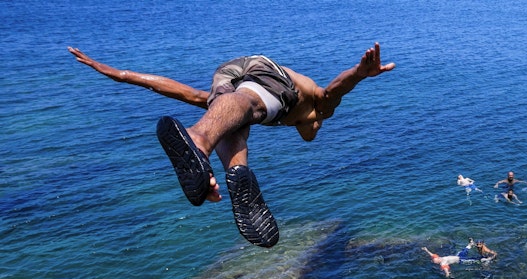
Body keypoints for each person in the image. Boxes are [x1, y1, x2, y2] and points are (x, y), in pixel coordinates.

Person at [68, 44, 395, 249]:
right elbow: (335, 89)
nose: (312, 132)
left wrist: (120, 74)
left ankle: (235, 174)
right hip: (266, 73)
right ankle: (200, 141)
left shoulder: (275, 112)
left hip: (228, 73)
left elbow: (185, 93)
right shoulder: (316, 110)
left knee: (228, 111)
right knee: (251, 105)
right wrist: (360, 73)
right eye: (312, 131)